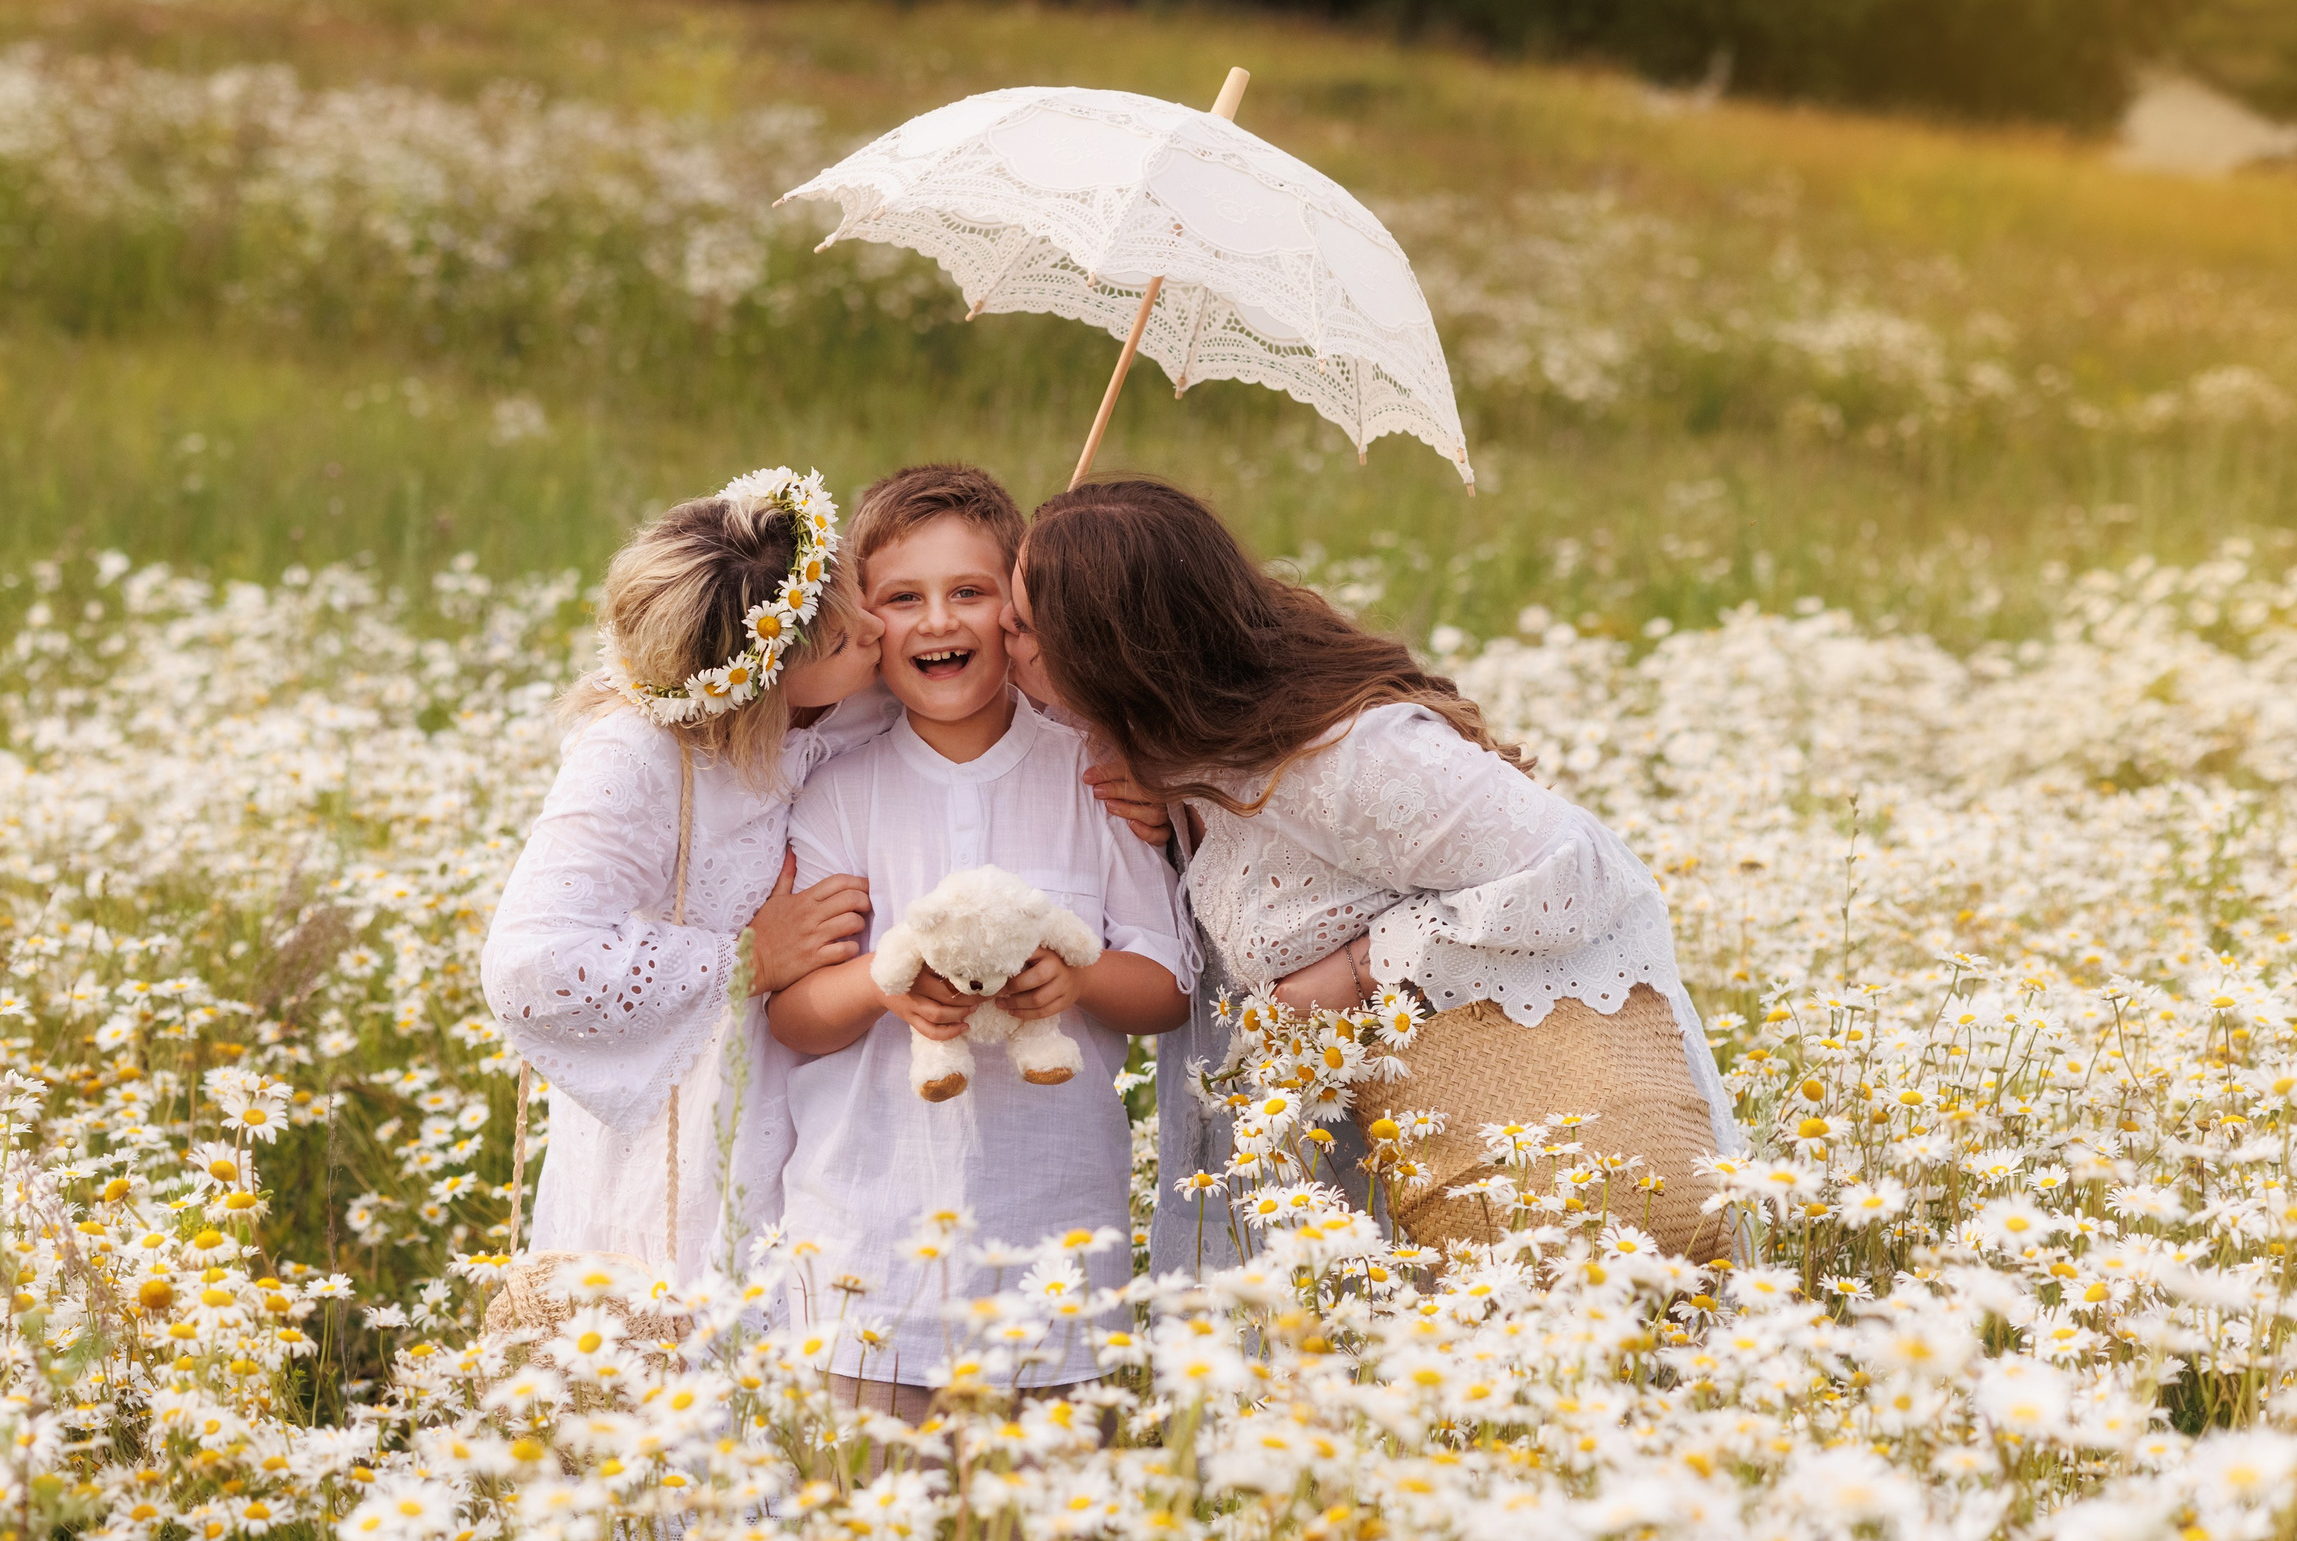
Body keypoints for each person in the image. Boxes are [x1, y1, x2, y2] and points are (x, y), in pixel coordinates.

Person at [1007, 478, 1739, 1266]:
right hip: (1308, 1175)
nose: (998, 637)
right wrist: (1165, 822)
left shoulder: (1349, 756)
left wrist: (1360, 969)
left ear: (1105, 657)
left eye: (1020, 627)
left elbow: (1580, 868)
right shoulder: (1171, 754)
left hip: (1482, 1131)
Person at [766, 465, 1191, 1421]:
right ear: (865, 623)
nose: (938, 621)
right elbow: (795, 1015)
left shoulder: (1094, 773)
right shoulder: (839, 792)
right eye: (902, 598)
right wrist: (883, 986)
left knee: (1048, 1512)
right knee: (867, 1507)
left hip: (1052, 1236)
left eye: (969, 591)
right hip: (867, 1244)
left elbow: (1167, 986)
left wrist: (1077, 978)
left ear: (1019, 611)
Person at [480, 468, 885, 1292]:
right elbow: (530, 965)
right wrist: (746, 960)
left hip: (831, 1110)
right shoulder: (636, 756)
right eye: (845, 640)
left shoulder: (846, 705)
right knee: (685, 1330)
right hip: (688, 1134)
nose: (877, 628)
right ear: (762, 685)